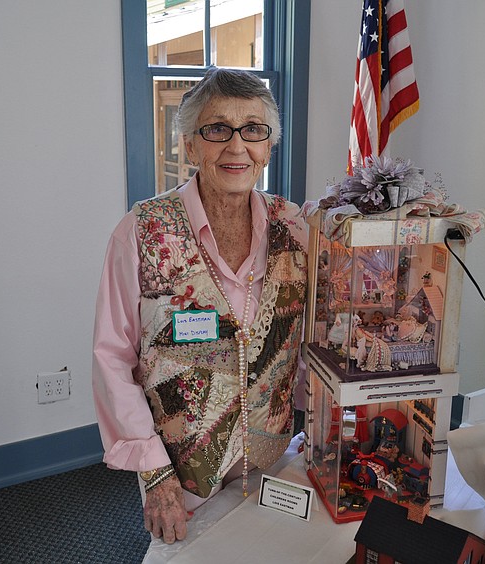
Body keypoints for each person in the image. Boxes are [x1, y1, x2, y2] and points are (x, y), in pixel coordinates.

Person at [92, 67, 308, 546]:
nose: (237, 146)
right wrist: (152, 472)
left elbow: (308, 333)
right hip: (185, 476)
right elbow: (112, 358)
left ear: (269, 146)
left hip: (275, 456)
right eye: (217, 129)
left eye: (253, 129)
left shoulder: (293, 225)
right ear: (190, 146)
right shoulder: (141, 232)